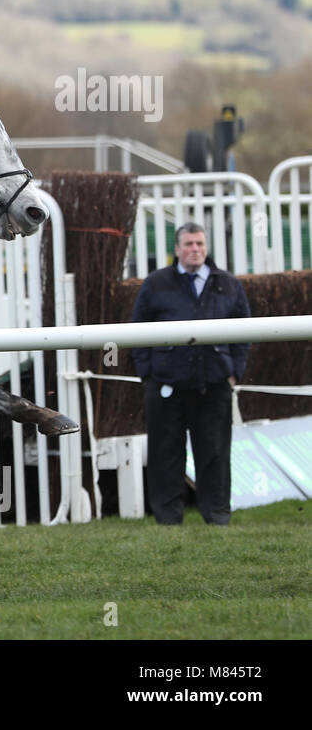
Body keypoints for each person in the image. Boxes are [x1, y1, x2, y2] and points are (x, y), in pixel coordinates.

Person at [131, 223, 251, 526]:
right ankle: (168, 519)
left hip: (213, 383)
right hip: (165, 384)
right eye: (188, 244)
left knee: (214, 453)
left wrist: (234, 371)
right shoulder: (157, 283)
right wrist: (148, 374)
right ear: (177, 249)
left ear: (206, 247)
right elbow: (138, 329)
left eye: (199, 243)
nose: (194, 249)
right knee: (165, 454)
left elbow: (244, 331)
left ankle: (217, 516)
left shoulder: (228, 283)